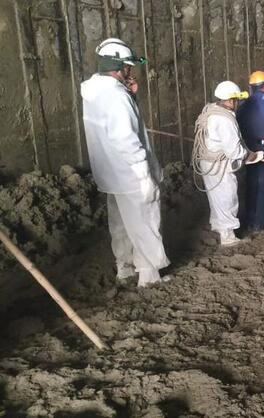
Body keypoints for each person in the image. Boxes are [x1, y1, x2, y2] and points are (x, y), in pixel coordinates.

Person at [80, 38, 170, 287]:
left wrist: (129, 95)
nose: (131, 71)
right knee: (145, 221)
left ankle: (125, 269)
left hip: (111, 174)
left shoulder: (94, 91)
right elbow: (125, 138)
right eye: (128, 66)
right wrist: (144, 175)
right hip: (131, 174)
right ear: (120, 67)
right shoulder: (117, 97)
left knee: (120, 224)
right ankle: (149, 277)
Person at [193, 81, 264, 246]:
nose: (237, 103)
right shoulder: (225, 120)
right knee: (227, 196)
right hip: (219, 164)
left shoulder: (210, 110)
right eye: (236, 100)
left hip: (208, 161)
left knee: (216, 196)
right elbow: (234, 151)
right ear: (231, 100)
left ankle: (218, 226)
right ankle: (228, 237)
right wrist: (251, 156)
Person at [237, 70, 264, 233]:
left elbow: (238, 123)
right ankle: (259, 223)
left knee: (251, 183)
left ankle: (249, 219)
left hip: (249, 150)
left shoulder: (244, 104)